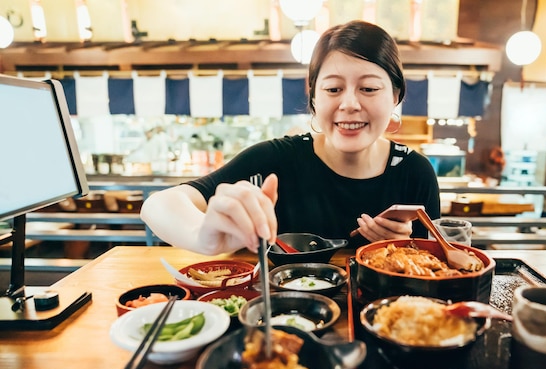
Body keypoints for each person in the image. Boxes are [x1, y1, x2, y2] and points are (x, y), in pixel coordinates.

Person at [140, 20, 440, 256]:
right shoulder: (276, 160)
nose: (349, 104)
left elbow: (441, 268)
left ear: (395, 96)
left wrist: (405, 251)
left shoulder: (416, 173)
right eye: (333, 89)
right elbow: (158, 205)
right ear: (314, 98)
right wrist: (203, 237)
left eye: (369, 89)